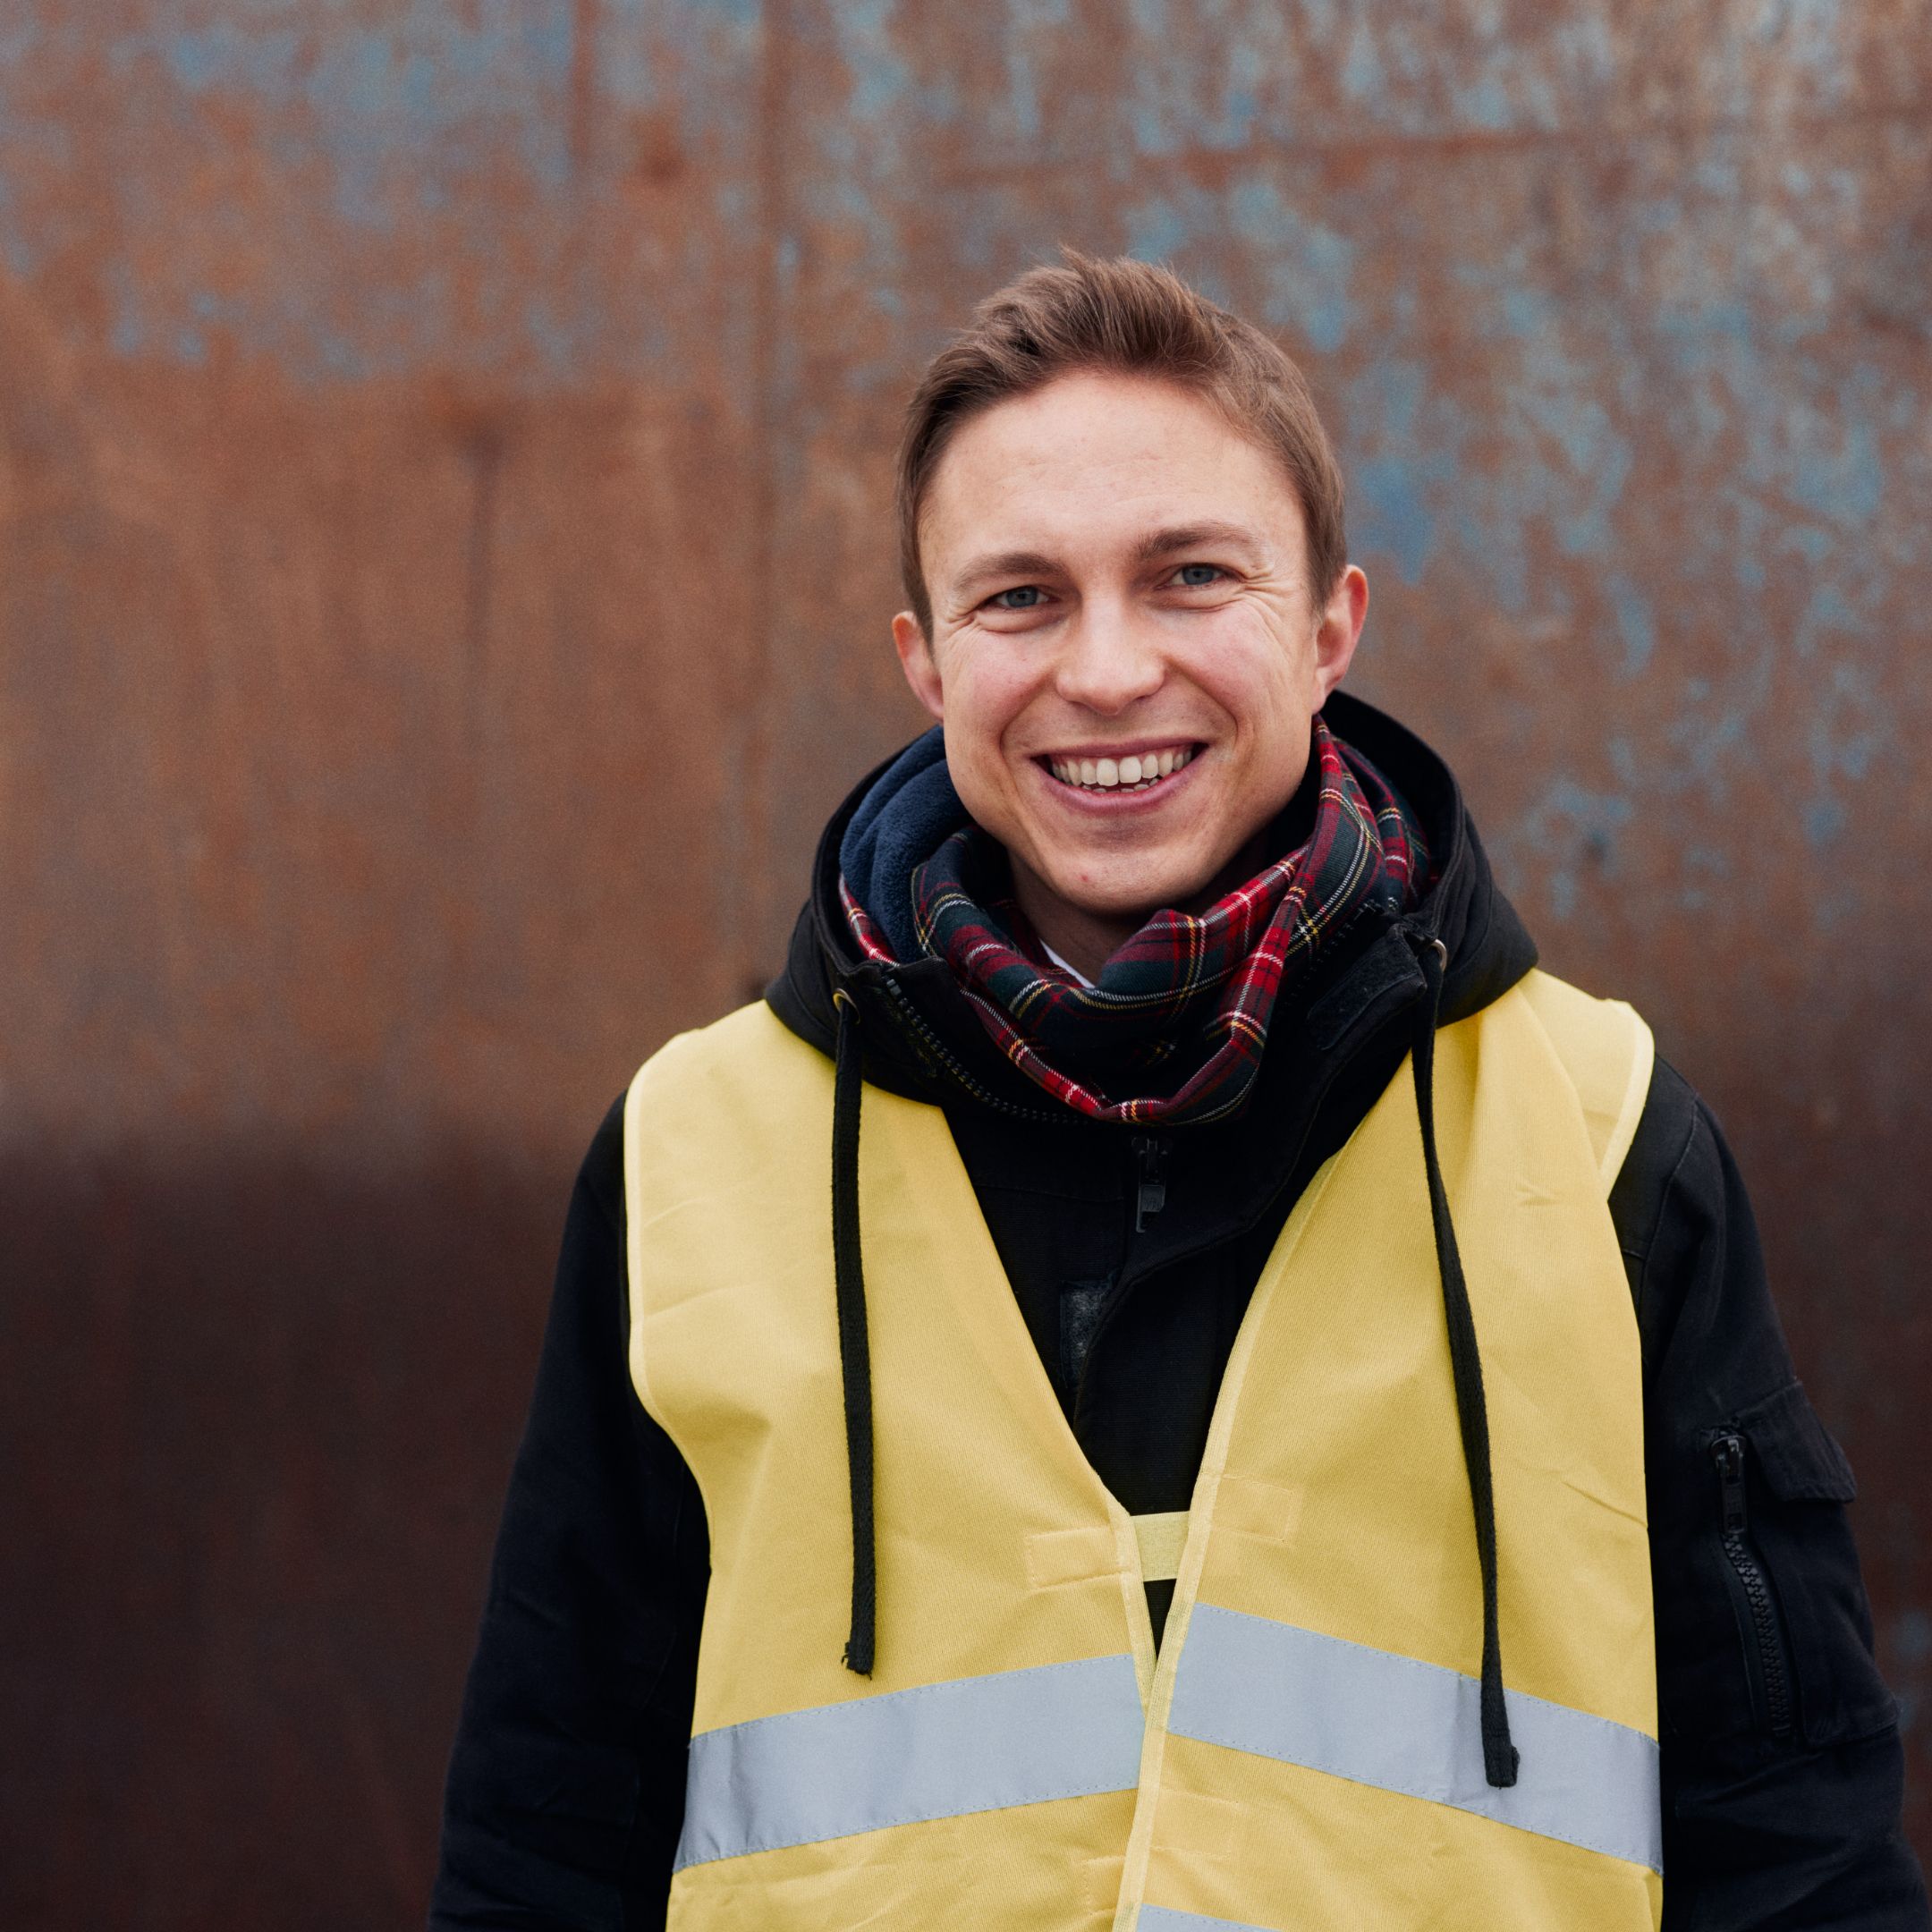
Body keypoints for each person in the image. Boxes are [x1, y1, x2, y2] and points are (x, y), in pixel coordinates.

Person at [430, 253, 1927, 1930]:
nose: (1107, 670)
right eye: (1021, 598)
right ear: (928, 664)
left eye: (1191, 576)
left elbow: (1796, 1851)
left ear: (1331, 628)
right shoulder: (690, 1159)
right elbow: (543, 1844)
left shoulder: (1598, 1138)